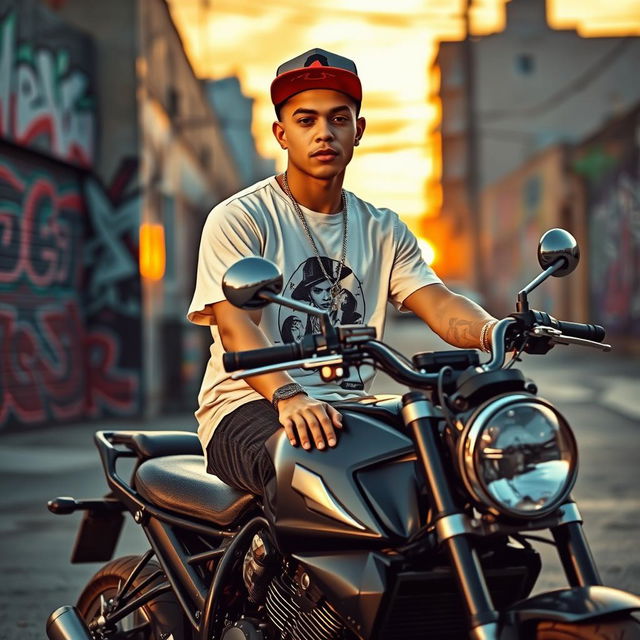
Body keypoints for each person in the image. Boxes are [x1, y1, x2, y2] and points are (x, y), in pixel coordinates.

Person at [187, 48, 498, 500]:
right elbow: (237, 329)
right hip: (247, 406)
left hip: (349, 409)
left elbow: (439, 302)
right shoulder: (240, 218)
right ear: (281, 133)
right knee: (311, 478)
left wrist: (493, 330)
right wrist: (290, 396)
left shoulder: (383, 228)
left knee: (458, 464)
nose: (324, 133)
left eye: (338, 118)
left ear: (358, 130)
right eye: (305, 120)